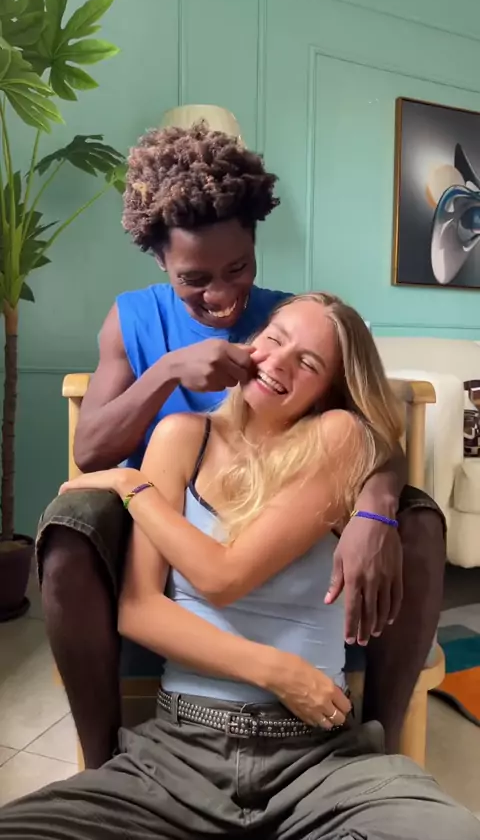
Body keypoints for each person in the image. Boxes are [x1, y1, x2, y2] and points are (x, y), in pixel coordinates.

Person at [36, 124, 445, 769]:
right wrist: (169, 371)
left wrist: (376, 506)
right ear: (161, 262)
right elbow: (91, 451)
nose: (223, 297)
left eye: (239, 269)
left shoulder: (292, 321)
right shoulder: (134, 319)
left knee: (414, 520)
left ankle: (381, 743)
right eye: (194, 278)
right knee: (66, 534)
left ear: (255, 243)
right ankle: (104, 759)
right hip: (163, 520)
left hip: (286, 516)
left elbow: (366, 424)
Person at [1, 294, 475, 840]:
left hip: (318, 759)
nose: (278, 362)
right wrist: (277, 671)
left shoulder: (338, 435)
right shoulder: (181, 436)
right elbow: (138, 610)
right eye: (274, 339)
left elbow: (223, 578)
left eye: (308, 362)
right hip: (177, 752)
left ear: (329, 390)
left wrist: (133, 488)